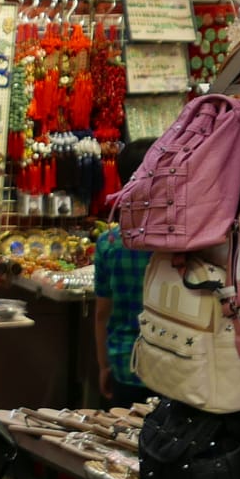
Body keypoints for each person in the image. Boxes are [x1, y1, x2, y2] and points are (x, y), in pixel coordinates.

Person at [93, 138, 157, 406]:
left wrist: (103, 365)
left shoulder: (109, 243)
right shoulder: (178, 246)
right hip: (172, 368)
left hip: (123, 364)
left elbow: (101, 314)